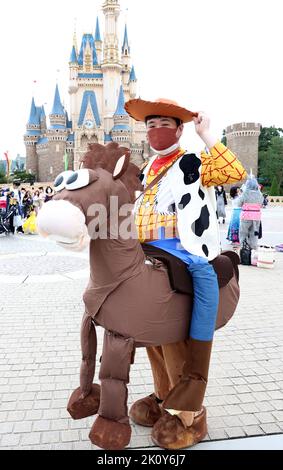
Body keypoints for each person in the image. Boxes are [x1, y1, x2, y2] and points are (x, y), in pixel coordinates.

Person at [125, 97, 247, 448]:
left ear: (178, 129)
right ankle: (165, 396)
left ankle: (189, 411)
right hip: (146, 252)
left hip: (186, 251)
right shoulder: (147, 168)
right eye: (149, 125)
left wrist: (206, 134)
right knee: (151, 332)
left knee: (183, 326)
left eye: (163, 124)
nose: (155, 131)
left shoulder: (193, 160)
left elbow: (234, 173)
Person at [238, 177, 264, 250]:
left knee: (243, 233)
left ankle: (244, 249)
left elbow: (238, 203)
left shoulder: (245, 194)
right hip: (256, 217)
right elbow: (261, 204)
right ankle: (254, 250)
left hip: (246, 216)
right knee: (254, 234)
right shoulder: (260, 194)